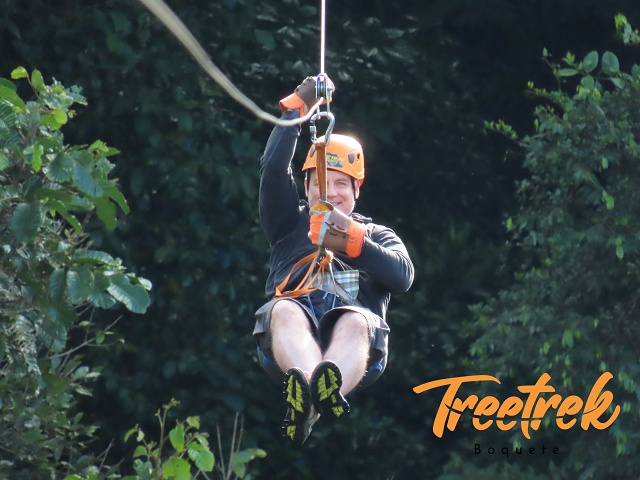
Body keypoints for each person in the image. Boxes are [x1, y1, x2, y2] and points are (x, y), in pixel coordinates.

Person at [253, 76, 414, 445]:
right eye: (320, 184)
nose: (331, 192)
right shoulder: (289, 224)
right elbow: (273, 170)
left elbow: (402, 276)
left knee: (354, 320)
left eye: (341, 183)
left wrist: (353, 242)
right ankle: (313, 387)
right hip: (291, 330)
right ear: (307, 188)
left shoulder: (376, 235)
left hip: (356, 342)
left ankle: (321, 390)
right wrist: (296, 111)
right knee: (284, 310)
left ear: (356, 190)